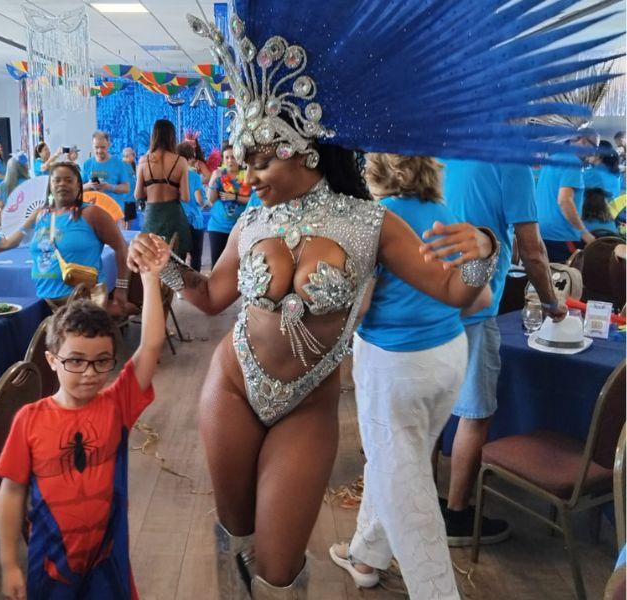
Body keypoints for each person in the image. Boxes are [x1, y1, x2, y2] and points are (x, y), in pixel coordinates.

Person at [165, 7, 599, 597]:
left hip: (308, 402)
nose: (249, 175)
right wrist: (165, 268)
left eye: (260, 160)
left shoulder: (371, 223)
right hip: (232, 385)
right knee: (236, 529)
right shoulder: (251, 219)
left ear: (303, 151)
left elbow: (456, 291)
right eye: (246, 162)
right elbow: (212, 297)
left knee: (277, 566)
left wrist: (484, 249)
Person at [329, 154, 491, 598]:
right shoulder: (446, 216)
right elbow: (480, 300)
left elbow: (359, 305)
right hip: (448, 355)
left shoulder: (376, 220)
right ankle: (365, 554)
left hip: (395, 362)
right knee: (398, 464)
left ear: (375, 168)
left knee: (405, 483)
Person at [0, 245, 167, 598]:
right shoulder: (29, 420)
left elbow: (150, 346)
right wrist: (8, 562)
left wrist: (150, 279)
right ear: (51, 360)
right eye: (75, 361)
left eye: (102, 361)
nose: (89, 373)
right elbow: (11, 492)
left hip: (108, 559)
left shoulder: (117, 405)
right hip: (49, 561)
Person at [439, 158, 566, 550]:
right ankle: (457, 515)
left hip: (430, 298)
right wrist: (552, 302)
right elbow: (533, 249)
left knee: (430, 407)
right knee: (475, 413)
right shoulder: (510, 164)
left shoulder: (447, 153)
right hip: (475, 304)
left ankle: (421, 503)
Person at [30, 162, 129, 307]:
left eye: (68, 180)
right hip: (44, 299)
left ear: (78, 186)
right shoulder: (42, 216)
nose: (62, 184)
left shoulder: (91, 213)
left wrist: (121, 288)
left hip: (84, 302)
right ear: (50, 186)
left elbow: (121, 247)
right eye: (56, 180)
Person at [535, 135, 599, 262]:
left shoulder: (553, 159)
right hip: (562, 236)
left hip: (541, 232)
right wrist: (585, 234)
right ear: (583, 141)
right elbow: (564, 201)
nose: (594, 152)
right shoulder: (573, 163)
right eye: (594, 147)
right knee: (567, 274)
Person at [134, 119, 191, 256]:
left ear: (154, 136)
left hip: (152, 216)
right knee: (176, 261)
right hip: (174, 217)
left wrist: (151, 188)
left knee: (152, 260)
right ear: (172, 136)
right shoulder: (180, 161)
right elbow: (185, 197)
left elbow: (138, 195)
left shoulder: (144, 161)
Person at [206, 143, 250, 267]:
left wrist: (234, 197)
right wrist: (213, 180)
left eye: (233, 157)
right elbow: (211, 200)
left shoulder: (247, 175)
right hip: (218, 227)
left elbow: (253, 200)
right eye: (227, 157)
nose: (230, 160)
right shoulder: (220, 175)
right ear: (223, 160)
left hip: (240, 228)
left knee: (238, 266)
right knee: (217, 265)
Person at [177, 142, 206, 271]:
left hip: (179, 219)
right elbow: (199, 199)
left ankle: (179, 281)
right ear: (189, 158)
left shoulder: (174, 175)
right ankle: (195, 280)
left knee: (179, 257)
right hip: (195, 220)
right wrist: (205, 202)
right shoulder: (195, 176)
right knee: (196, 256)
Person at [81, 132, 130, 204]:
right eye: (96, 147)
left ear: (109, 145)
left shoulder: (118, 163)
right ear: (92, 146)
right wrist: (89, 185)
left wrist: (109, 187)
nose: (99, 151)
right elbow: (78, 188)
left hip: (113, 208)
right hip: (92, 208)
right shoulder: (87, 164)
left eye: (103, 147)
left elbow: (126, 188)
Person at [121, 146, 138, 229]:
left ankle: (128, 232)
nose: (135, 156)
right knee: (123, 220)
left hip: (131, 198)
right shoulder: (120, 166)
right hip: (123, 199)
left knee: (130, 220)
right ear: (127, 156)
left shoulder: (132, 165)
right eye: (133, 154)